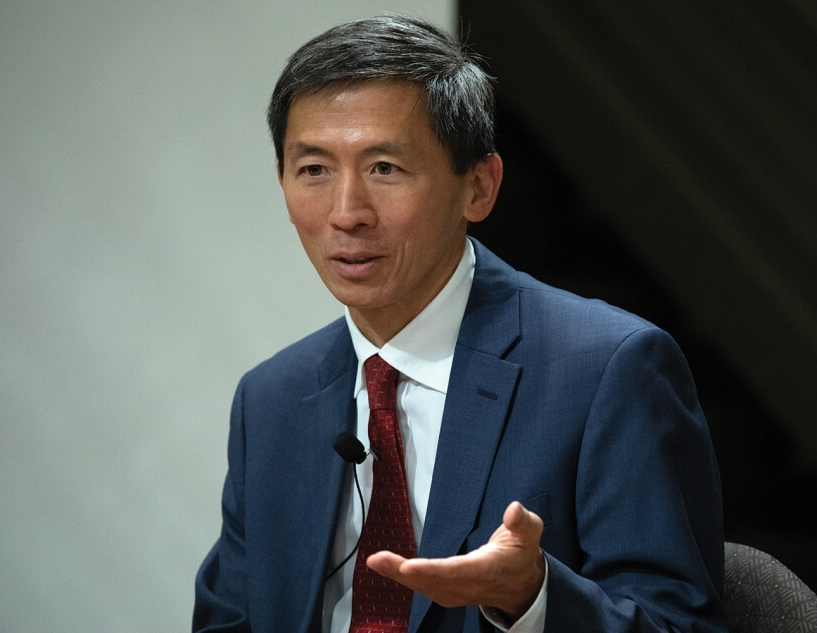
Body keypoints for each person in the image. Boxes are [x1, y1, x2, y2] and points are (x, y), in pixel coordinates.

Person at [193, 14, 727, 633]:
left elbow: (679, 625)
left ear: (479, 187)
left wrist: (533, 596)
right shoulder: (272, 400)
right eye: (313, 170)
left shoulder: (609, 368)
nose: (347, 213)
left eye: (384, 168)